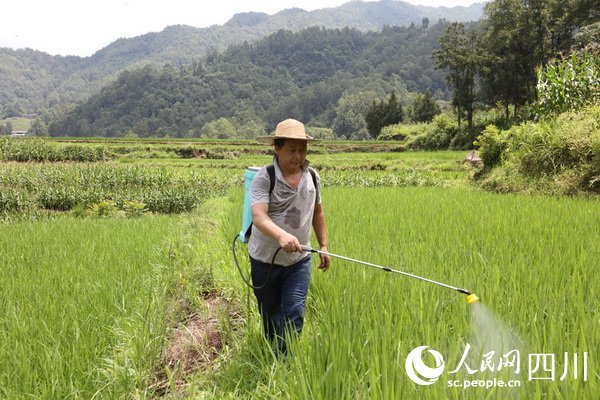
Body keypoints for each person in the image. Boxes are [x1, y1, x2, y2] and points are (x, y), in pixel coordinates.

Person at [248, 118, 330, 355]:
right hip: (265, 260)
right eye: (292, 150)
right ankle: (270, 350)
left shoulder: (312, 176)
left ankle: (285, 361)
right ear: (277, 147)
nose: (298, 155)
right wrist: (282, 235)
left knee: (294, 310)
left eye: (303, 149)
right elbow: (259, 216)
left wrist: (323, 245)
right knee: (270, 312)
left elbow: (318, 211)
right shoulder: (265, 177)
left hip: (299, 259)